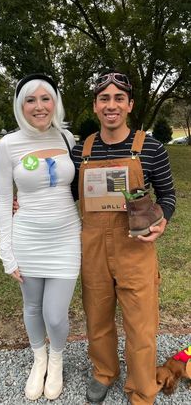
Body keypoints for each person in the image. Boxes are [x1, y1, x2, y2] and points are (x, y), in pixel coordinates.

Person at [71, 69, 176, 404]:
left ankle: (143, 389)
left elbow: (169, 197)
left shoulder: (151, 148)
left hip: (136, 250)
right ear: (95, 106)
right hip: (94, 251)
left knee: (141, 325)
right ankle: (104, 371)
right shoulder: (80, 151)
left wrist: (162, 220)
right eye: (104, 98)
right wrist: (23, 201)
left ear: (130, 105)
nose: (111, 105)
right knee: (98, 318)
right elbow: (61, 195)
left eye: (119, 98)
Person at [0, 73, 81, 401]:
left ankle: (56, 359)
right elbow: (3, 199)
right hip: (27, 237)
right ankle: (39, 359)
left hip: (66, 237)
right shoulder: (7, 146)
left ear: (55, 102)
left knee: (55, 313)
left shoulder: (68, 140)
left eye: (46, 99)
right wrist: (7, 253)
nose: (39, 106)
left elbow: (77, 189)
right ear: (21, 106)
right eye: (31, 100)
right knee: (32, 306)